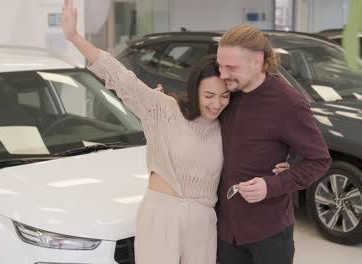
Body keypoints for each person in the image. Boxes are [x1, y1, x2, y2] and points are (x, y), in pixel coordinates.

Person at [61, 1, 289, 263]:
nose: (217, 103)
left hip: (204, 221)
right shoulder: (164, 110)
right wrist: (74, 37)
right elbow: (120, 78)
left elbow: (257, 147)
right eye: (209, 95)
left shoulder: (227, 125)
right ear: (195, 91)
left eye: (224, 96)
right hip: (163, 216)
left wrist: (283, 166)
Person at [215, 25, 332, 264]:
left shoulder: (288, 104)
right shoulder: (225, 95)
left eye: (231, 67)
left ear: (257, 62)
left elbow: (319, 160)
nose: (223, 74)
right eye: (220, 66)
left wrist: (273, 185)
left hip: (268, 234)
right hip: (226, 234)